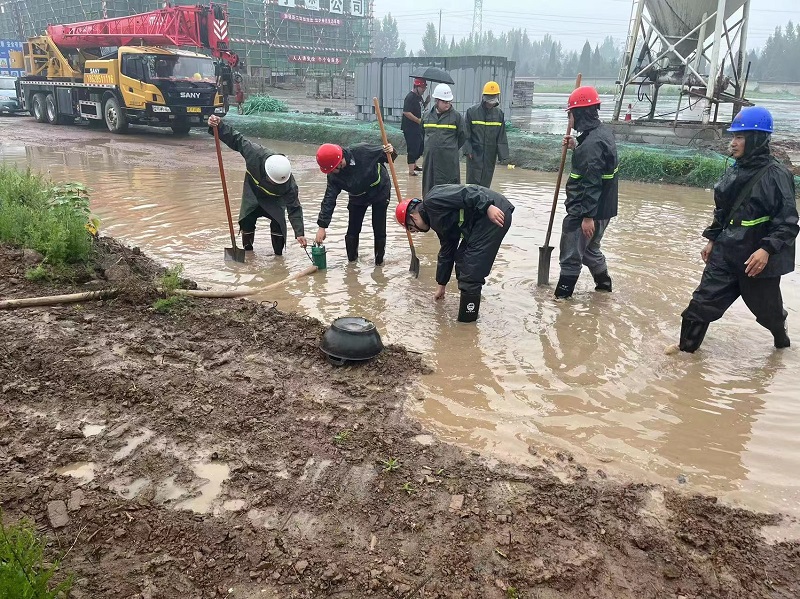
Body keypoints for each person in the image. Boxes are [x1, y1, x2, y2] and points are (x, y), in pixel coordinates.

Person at [676, 106, 798, 353]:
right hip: (726, 253)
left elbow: (787, 221)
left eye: (739, 137)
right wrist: (712, 239)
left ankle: (781, 344)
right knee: (699, 307)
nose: (732, 143)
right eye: (733, 137)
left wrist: (765, 250)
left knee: (769, 314)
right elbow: (723, 211)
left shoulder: (776, 175)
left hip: (756, 262)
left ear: (756, 139)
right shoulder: (735, 169)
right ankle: (683, 356)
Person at [395, 184, 514, 322]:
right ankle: (467, 312)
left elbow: (466, 192)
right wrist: (441, 285)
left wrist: (487, 206)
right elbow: (447, 252)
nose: (415, 232)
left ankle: (467, 325)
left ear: (413, 217)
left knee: (470, 271)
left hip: (493, 214)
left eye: (411, 228)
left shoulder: (432, 199)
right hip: (478, 222)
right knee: (461, 259)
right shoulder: (437, 222)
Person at [208, 114, 306, 254]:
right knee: (246, 219)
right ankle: (248, 253)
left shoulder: (289, 184)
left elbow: (294, 208)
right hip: (252, 193)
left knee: (278, 224)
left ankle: (278, 257)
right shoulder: (255, 153)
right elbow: (237, 139)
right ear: (266, 171)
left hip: (274, 200)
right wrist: (219, 125)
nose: (274, 182)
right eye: (272, 180)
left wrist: (299, 233)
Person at [555, 85, 618, 299]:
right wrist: (577, 145)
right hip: (604, 209)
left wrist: (587, 216)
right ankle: (604, 287)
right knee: (590, 251)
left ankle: (562, 300)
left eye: (570, 114)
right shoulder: (600, 133)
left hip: (586, 210)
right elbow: (595, 162)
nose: (569, 119)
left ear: (579, 114)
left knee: (571, 254)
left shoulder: (591, 145)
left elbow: (592, 183)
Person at [314, 141, 396, 265]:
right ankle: (351, 264)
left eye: (332, 169)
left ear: (340, 162)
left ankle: (379, 264)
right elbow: (329, 200)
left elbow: (389, 158)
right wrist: (322, 227)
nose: (331, 172)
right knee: (352, 230)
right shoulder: (333, 176)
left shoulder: (363, 150)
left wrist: (391, 150)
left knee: (379, 228)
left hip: (380, 190)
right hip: (357, 196)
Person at [421, 83, 467, 198]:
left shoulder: (456, 117)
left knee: (449, 191)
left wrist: (449, 148)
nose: (448, 104)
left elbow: (462, 136)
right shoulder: (426, 116)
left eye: (449, 101)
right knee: (429, 189)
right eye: (445, 101)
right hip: (430, 159)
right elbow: (422, 133)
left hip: (448, 161)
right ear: (437, 100)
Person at [463, 81, 509, 188]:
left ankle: (483, 203)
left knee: (485, 183)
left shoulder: (499, 114)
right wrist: (468, 150)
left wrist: (503, 156)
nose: (490, 103)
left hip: (490, 154)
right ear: (483, 97)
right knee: (472, 184)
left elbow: (501, 136)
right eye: (489, 100)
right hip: (474, 153)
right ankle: (470, 204)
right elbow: (466, 134)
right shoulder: (472, 112)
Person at [401, 78, 428, 176]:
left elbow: (420, 108)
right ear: (416, 87)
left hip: (418, 127)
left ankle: (414, 165)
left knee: (421, 146)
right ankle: (411, 171)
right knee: (413, 147)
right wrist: (418, 120)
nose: (424, 90)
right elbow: (406, 112)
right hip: (410, 127)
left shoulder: (419, 97)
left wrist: (426, 102)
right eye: (422, 88)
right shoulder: (410, 97)